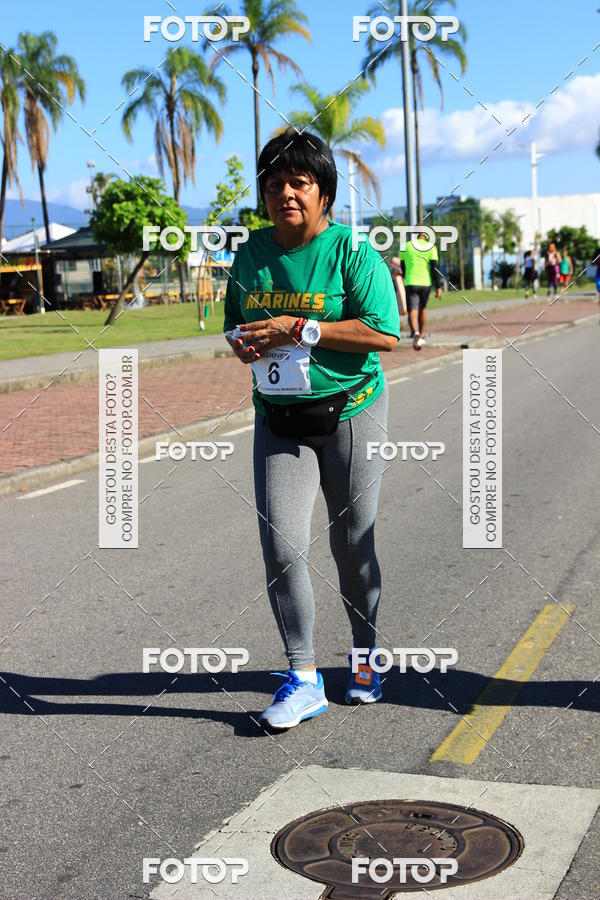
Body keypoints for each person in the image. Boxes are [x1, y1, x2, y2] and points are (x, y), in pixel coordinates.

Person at [223, 130, 400, 730]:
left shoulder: (353, 251)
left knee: (353, 546)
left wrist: (302, 328)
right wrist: (246, 346)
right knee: (281, 545)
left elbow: (382, 334)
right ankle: (302, 678)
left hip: (351, 412)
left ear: (323, 192)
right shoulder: (249, 255)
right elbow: (237, 327)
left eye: (298, 182)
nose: (285, 193)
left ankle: (366, 652)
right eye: (274, 184)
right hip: (280, 420)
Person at [395, 229, 443, 351]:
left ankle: (415, 332)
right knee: (422, 309)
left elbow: (403, 266)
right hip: (425, 283)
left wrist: (406, 277)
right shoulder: (431, 247)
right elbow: (434, 269)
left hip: (411, 282)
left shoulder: (405, 247)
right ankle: (420, 335)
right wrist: (438, 287)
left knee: (412, 310)